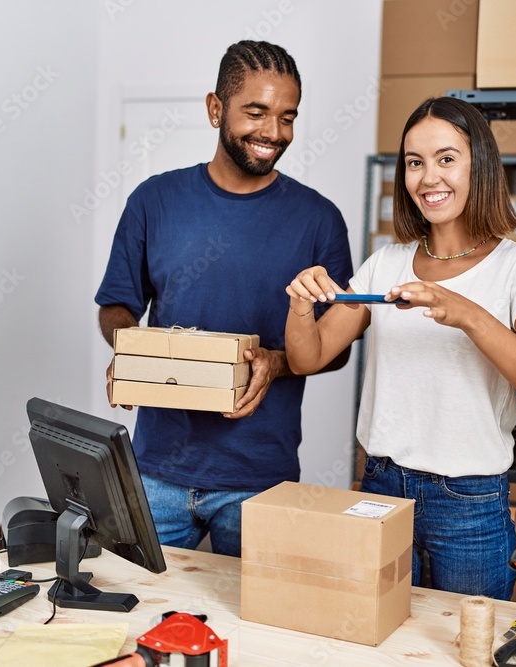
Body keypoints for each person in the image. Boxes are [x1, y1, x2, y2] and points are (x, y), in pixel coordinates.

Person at [284, 96, 516, 600]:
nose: (428, 178)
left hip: (468, 500)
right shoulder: (385, 264)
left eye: (446, 158)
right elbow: (308, 357)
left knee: (468, 646)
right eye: (415, 163)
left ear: (478, 165)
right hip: (381, 489)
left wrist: (466, 314)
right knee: (381, 641)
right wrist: (301, 305)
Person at [95, 40, 353, 557]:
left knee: (257, 627)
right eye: (255, 112)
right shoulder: (154, 201)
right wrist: (131, 350)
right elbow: (117, 305)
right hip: (157, 471)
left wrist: (276, 361)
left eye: (287, 117)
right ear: (216, 108)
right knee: (142, 614)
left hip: (258, 475)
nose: (273, 133)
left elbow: (337, 346)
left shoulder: (318, 219)